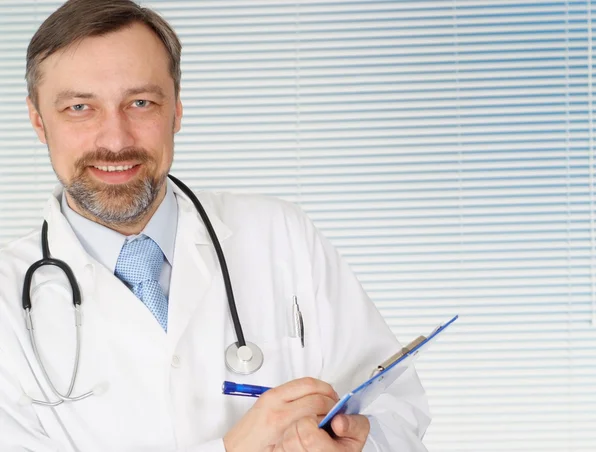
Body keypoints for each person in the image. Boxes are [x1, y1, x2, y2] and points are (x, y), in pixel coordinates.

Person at [0, 1, 430, 450]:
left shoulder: (280, 235)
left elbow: (398, 407)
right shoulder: (7, 305)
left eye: (141, 102)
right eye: (79, 107)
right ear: (38, 122)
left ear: (177, 111)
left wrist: (362, 441)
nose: (116, 139)